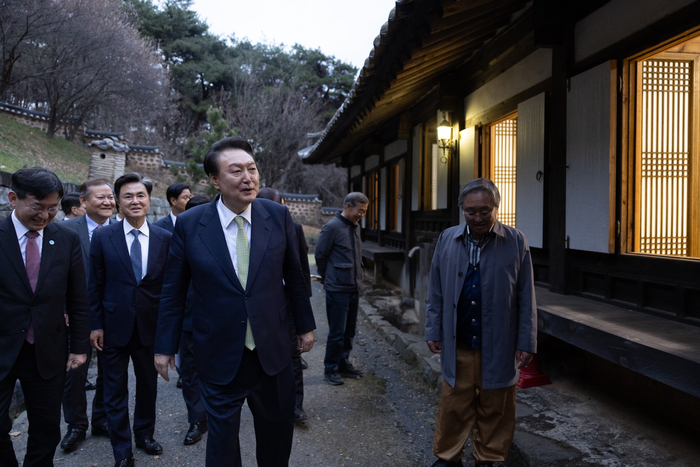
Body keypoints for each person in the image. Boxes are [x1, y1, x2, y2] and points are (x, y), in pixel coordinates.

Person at [154, 137, 315, 467]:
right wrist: (164, 346)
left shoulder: (278, 216)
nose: (248, 177)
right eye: (236, 171)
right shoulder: (190, 224)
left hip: (272, 349)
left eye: (252, 169)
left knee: (276, 433)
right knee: (222, 444)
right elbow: (173, 289)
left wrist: (305, 326)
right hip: (218, 351)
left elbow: (295, 277)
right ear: (215, 180)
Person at [425, 178, 537, 467]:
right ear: (462, 209)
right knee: (454, 402)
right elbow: (435, 289)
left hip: (499, 339)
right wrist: (433, 328)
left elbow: (527, 296)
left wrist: (526, 341)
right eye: (470, 211)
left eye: (484, 211)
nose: (477, 217)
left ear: (497, 209)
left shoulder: (515, 241)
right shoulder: (447, 238)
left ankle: (488, 457)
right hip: (458, 337)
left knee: (496, 403)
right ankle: (448, 457)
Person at [0, 167, 90, 467]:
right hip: (2, 346)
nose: (44, 216)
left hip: (48, 347)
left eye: (52, 208)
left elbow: (78, 297)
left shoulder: (65, 239)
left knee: (47, 426)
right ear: (13, 198)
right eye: (37, 207)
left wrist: (79, 347)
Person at [88, 173, 172, 467]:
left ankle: (144, 434)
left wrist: (168, 330)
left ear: (149, 200)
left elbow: (170, 288)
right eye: (128, 196)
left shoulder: (165, 238)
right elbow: (94, 284)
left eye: (140, 196)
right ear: (118, 203)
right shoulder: (102, 237)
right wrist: (95, 324)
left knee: (149, 385)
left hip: (152, 326)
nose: (135, 201)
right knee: (114, 390)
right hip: (113, 326)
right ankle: (121, 450)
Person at [59, 179, 116, 452]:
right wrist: (64, 309)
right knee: (76, 372)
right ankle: (76, 424)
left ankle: (101, 419)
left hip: (110, 314)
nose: (107, 202)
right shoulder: (65, 229)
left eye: (110, 197)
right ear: (83, 201)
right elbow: (54, 276)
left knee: (110, 370)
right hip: (77, 314)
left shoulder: (120, 230)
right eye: (100, 197)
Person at [256, 187, 312, 423]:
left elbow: (300, 269)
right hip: (259, 301)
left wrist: (303, 311)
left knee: (293, 354)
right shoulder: (251, 228)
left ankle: (295, 404)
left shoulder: (294, 227)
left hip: (286, 299)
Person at [315, 192, 368, 386]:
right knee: (336, 332)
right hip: (337, 288)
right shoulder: (331, 227)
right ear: (347, 206)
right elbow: (320, 256)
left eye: (364, 211)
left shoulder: (355, 227)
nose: (361, 215)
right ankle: (330, 368)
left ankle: (343, 362)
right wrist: (329, 277)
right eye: (359, 210)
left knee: (349, 330)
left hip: (353, 286)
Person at [174, 194, 210, 446]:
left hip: (222, 320)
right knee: (190, 372)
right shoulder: (179, 239)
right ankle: (196, 419)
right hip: (188, 318)